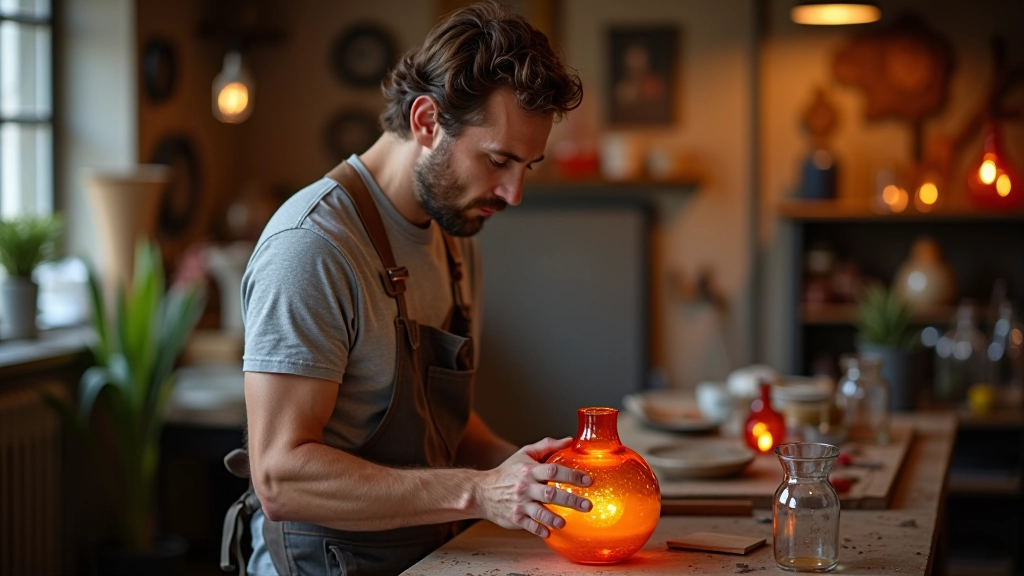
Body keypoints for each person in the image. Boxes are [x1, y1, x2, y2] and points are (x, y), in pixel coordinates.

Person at [220, 3, 590, 575]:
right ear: (425, 121)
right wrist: (479, 493)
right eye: (498, 160)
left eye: (528, 167)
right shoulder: (312, 248)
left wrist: (534, 479)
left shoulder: (454, 232)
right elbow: (279, 477)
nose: (513, 193)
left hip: (429, 555)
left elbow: (443, 428)